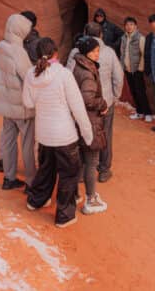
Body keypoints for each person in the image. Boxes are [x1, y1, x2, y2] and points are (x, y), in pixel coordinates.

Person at [23, 37, 95, 228]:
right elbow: (77, 107)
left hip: (43, 134)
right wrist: (88, 134)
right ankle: (64, 215)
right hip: (64, 135)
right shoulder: (63, 74)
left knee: (46, 169)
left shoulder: (31, 74)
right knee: (69, 174)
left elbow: (28, 103)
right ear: (56, 52)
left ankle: (36, 200)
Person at [65, 23, 123, 183]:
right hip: (105, 102)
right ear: (101, 35)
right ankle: (104, 169)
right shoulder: (110, 52)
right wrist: (114, 97)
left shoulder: (76, 52)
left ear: (85, 33)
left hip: (83, 103)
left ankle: (84, 171)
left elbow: (69, 75)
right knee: (105, 134)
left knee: (83, 133)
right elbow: (118, 77)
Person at [0, 14, 36, 190]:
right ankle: (31, 181)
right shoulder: (18, 51)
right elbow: (28, 77)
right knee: (27, 143)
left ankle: (9, 177)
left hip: (5, 103)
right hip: (21, 106)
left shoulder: (1, 47)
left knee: (8, 141)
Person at [70, 37, 109, 215]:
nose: (96, 54)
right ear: (86, 52)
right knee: (92, 161)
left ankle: (75, 194)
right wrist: (102, 103)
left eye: (97, 51)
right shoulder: (87, 72)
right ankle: (91, 198)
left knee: (79, 159)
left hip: (78, 120)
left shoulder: (78, 65)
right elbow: (88, 99)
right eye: (93, 51)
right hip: (90, 121)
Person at [118, 16, 153, 122]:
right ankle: (139, 112)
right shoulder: (124, 38)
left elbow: (144, 54)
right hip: (128, 69)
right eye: (127, 25)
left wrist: (140, 68)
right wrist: (122, 66)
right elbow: (122, 53)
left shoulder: (140, 38)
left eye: (131, 25)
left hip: (137, 70)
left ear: (136, 26)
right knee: (133, 91)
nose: (129, 27)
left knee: (140, 91)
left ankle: (147, 113)